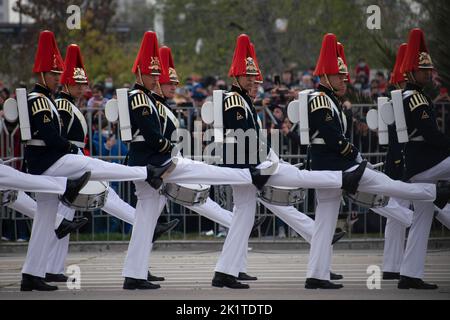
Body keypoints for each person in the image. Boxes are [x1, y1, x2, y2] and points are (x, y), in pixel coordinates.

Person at [211, 34, 366, 289]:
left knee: (244, 217)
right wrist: (258, 167)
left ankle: (225, 272)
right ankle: (342, 179)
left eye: (254, 77)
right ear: (235, 76)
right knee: (298, 177)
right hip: (246, 168)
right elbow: (240, 140)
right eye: (248, 76)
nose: (253, 81)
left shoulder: (244, 102)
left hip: (251, 167)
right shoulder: (234, 101)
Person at [121, 31, 273, 290]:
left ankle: (135, 273)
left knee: (146, 219)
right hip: (155, 163)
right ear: (139, 73)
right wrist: (173, 147)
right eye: (153, 75)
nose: (158, 79)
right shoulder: (139, 98)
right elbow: (151, 135)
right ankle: (249, 175)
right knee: (209, 172)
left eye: (159, 75)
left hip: (159, 162)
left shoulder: (150, 100)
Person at [304, 33, 449, 289]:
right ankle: (432, 192)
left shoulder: (330, 101)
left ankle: (316, 275)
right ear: (325, 76)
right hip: (342, 169)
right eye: (339, 76)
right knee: (393, 188)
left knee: (325, 223)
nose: (344, 80)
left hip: (335, 170)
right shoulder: (321, 101)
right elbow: (333, 139)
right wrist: (357, 157)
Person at [20, 30, 163, 292]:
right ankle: (144, 173)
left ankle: (32, 274)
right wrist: (67, 148)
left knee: (46, 219)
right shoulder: (38, 100)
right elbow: (52, 136)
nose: (57, 79)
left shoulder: (49, 101)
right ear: (41, 74)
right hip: (48, 162)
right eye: (53, 75)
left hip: (51, 161)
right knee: (92, 166)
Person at [396, 28, 450, 289]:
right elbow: (431, 134)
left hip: (416, 164)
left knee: (422, 217)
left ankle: (409, 274)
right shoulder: (416, 98)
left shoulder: (410, 95)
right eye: (424, 70)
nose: (429, 74)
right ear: (412, 72)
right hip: (423, 163)